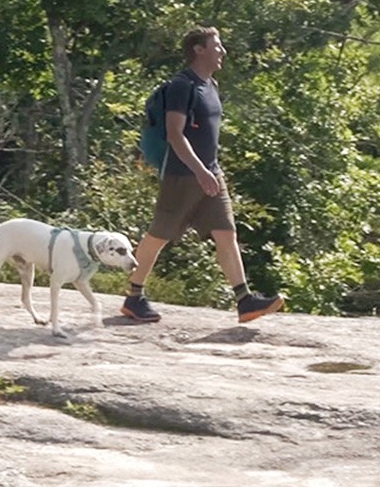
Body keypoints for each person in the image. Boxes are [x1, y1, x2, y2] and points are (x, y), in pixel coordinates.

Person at [121, 26, 284, 324]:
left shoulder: (211, 86)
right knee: (159, 235)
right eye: (216, 45)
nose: (222, 51)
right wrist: (199, 171)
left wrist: (209, 172)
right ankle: (134, 296)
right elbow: (174, 134)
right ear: (199, 49)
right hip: (183, 175)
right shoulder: (183, 86)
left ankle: (244, 300)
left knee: (226, 234)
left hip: (210, 173)